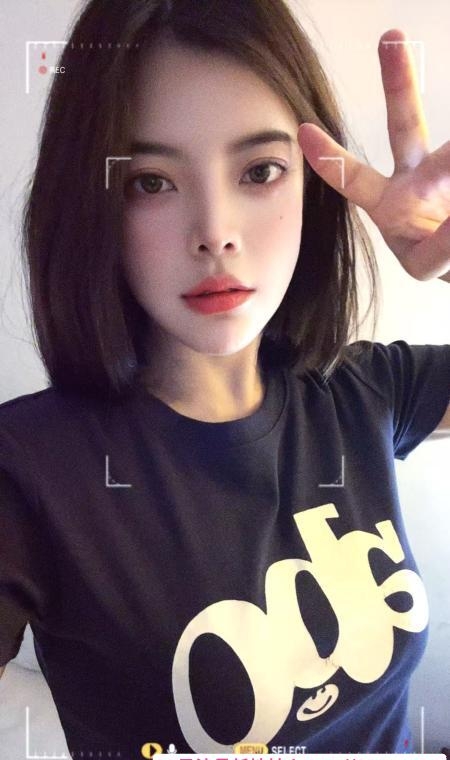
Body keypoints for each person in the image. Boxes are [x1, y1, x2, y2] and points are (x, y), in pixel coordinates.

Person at [1, 0, 449, 758]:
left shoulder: (360, 389)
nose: (215, 232)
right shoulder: (28, 469)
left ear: (313, 185)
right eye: (150, 182)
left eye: (260, 171)